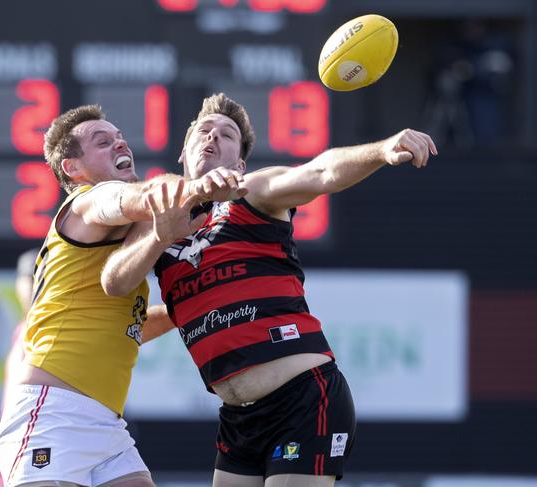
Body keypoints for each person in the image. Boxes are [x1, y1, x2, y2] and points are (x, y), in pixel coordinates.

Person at [101, 93, 438, 487]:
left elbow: (320, 173)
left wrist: (381, 150)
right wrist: (160, 236)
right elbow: (118, 285)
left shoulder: (252, 191)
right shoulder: (157, 223)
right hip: (238, 418)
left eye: (226, 135)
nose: (213, 137)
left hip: (303, 398)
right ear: (183, 152)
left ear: (239, 162)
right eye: (203, 131)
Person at [0, 104, 246, 487]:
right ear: (73, 169)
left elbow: (127, 329)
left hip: (104, 423)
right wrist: (197, 187)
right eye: (102, 141)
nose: (119, 142)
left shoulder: (114, 242)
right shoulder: (88, 200)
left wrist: (186, 308)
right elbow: (134, 197)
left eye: (118, 137)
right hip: (51, 413)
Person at [0, 248, 39, 487]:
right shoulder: (22, 330)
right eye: (28, 278)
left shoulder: (52, 331)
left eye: (41, 276)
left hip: (37, 455)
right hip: (16, 453)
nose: (33, 285)